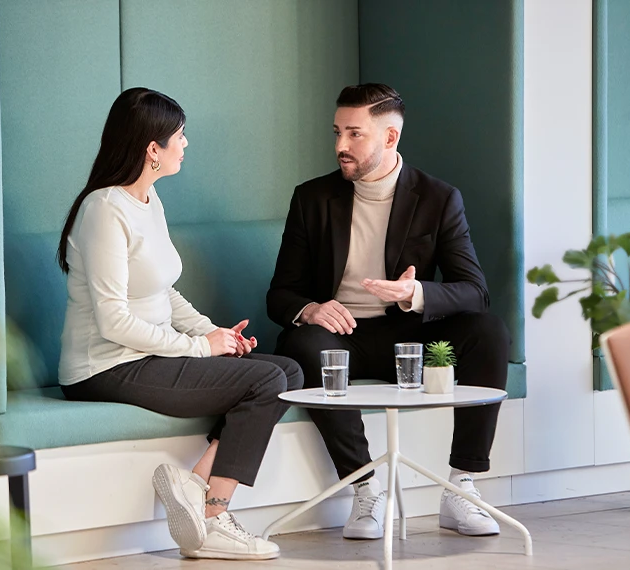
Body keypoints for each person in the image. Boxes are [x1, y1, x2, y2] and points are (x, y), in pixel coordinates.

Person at [57, 87, 303, 560]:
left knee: (288, 371)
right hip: (105, 367)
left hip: (148, 356)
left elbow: (162, 290)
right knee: (268, 380)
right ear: (153, 148)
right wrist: (199, 348)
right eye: (180, 135)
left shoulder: (149, 201)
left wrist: (216, 334)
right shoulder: (104, 209)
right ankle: (214, 518)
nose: (185, 144)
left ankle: (194, 484)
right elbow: (112, 321)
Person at [268, 83, 510, 540]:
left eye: (354, 134)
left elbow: (474, 291)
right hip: (341, 336)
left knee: (489, 332)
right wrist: (311, 309)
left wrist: (415, 292)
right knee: (304, 341)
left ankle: (462, 488)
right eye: (337, 132)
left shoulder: (439, 198)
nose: (341, 145)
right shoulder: (312, 198)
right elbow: (280, 293)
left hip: (411, 334)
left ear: (390, 138)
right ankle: (366, 490)